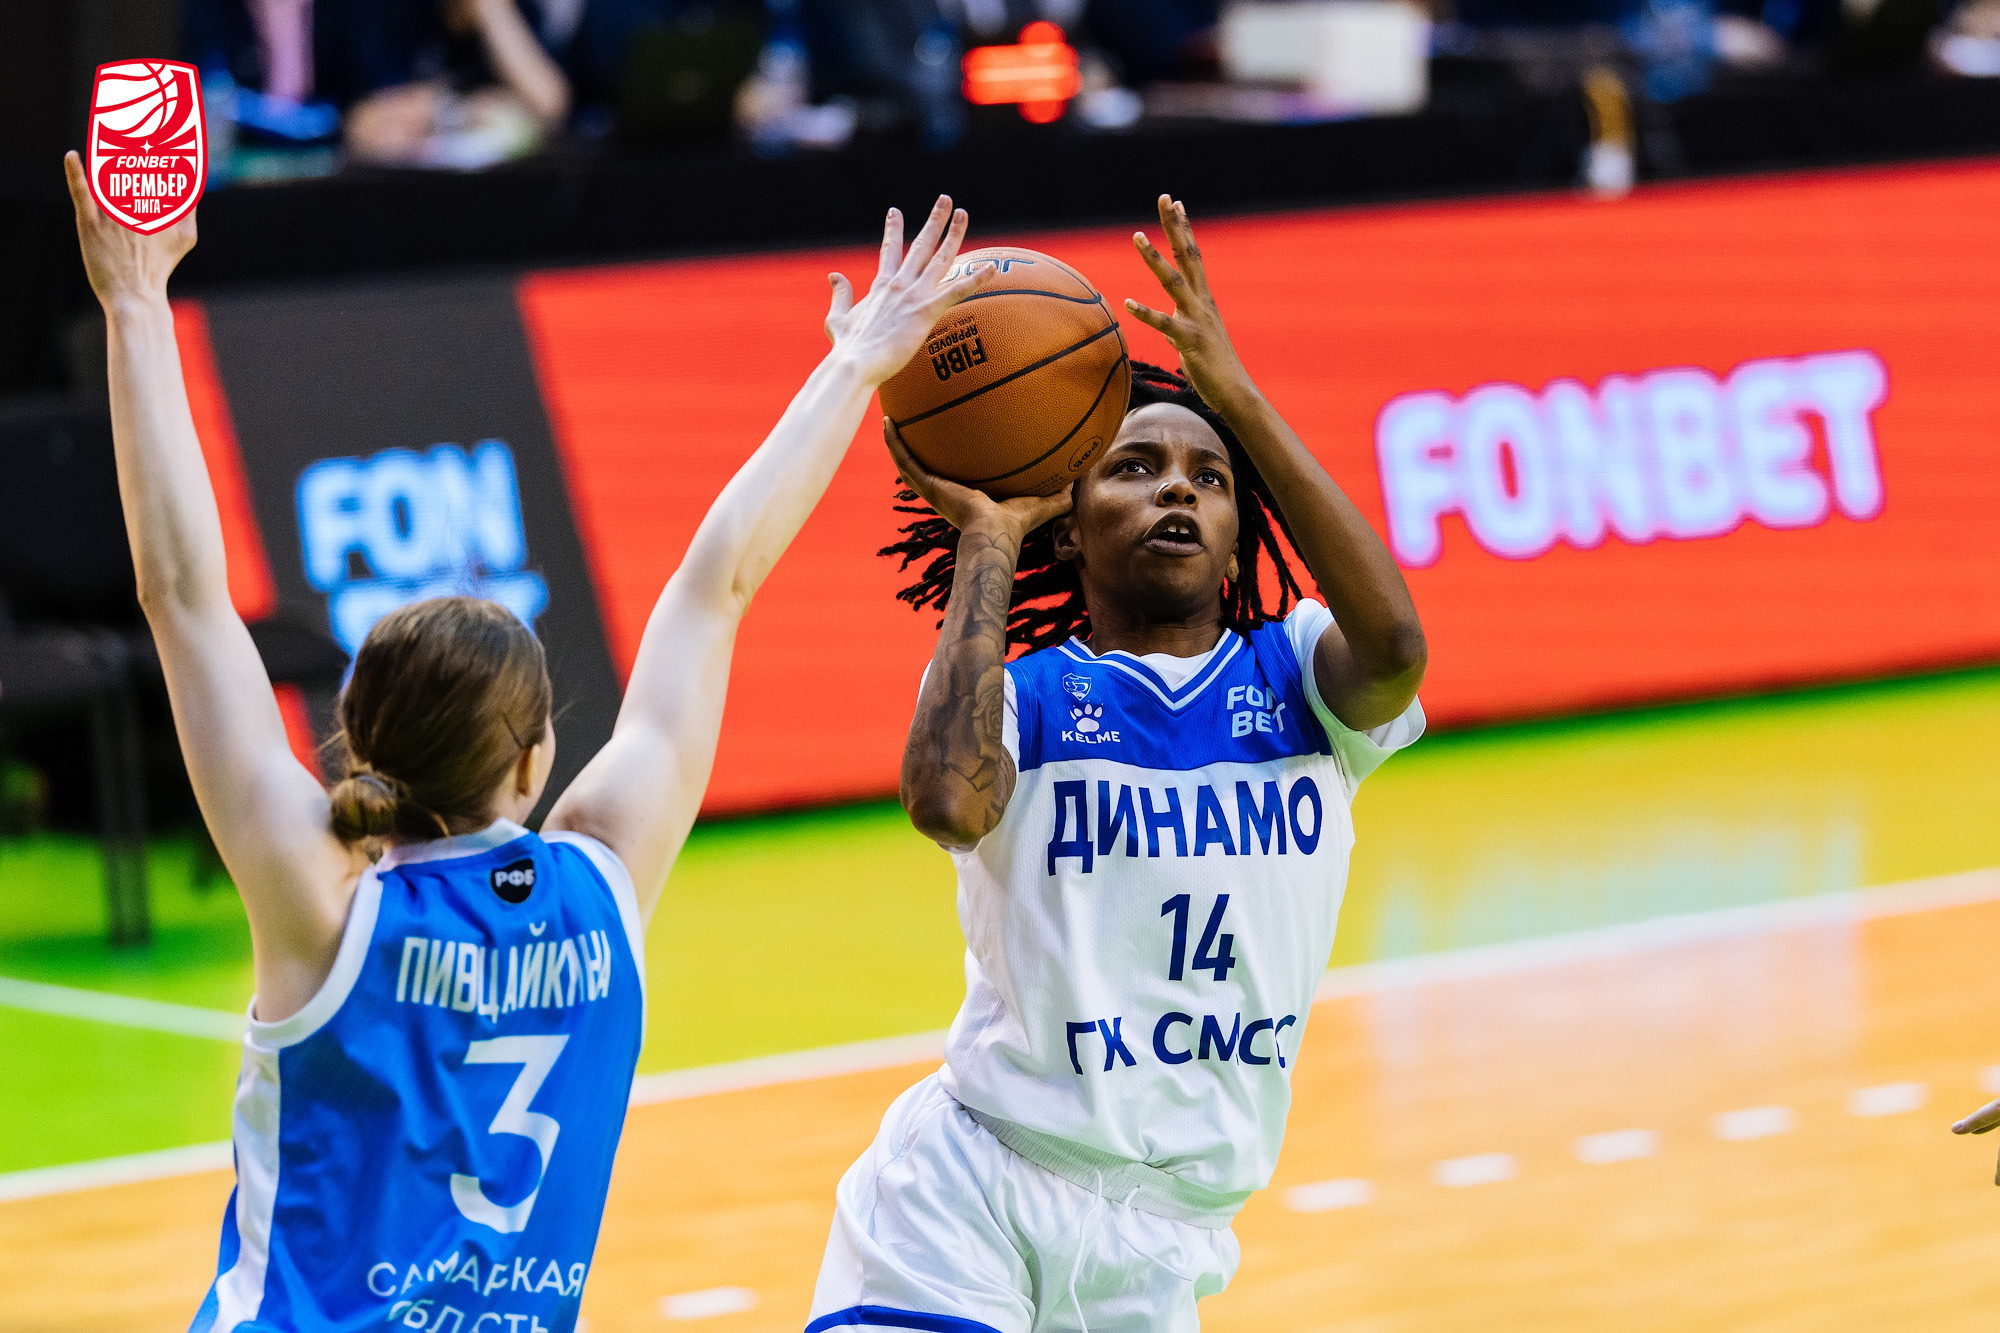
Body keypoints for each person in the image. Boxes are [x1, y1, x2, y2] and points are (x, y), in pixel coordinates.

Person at [62, 155, 987, 1333]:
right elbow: (718, 586)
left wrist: (135, 301)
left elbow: (183, 596)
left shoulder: (324, 910)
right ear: (533, 760)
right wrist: (852, 364)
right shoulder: (600, 889)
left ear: (357, 740)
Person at [810, 195, 1429, 1331]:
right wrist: (987, 537)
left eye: (1209, 475)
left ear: (1239, 534)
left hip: (1166, 1240)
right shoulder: (1023, 695)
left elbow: (1394, 646)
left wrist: (1236, 394)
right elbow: (946, 802)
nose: (1177, 487)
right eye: (1134, 467)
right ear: (1069, 521)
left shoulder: (1298, 680)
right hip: (970, 1193)